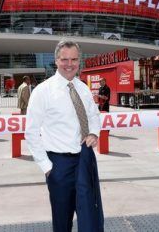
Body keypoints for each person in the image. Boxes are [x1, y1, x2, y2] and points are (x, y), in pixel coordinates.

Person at [25, 40, 104, 232]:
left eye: (74, 59)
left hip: (85, 160)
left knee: (90, 215)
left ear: (79, 61)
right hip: (58, 165)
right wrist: (47, 167)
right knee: (62, 220)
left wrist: (94, 132)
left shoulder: (83, 88)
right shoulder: (43, 91)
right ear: (56, 60)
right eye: (65, 59)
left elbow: (94, 115)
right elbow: (31, 132)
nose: (70, 64)